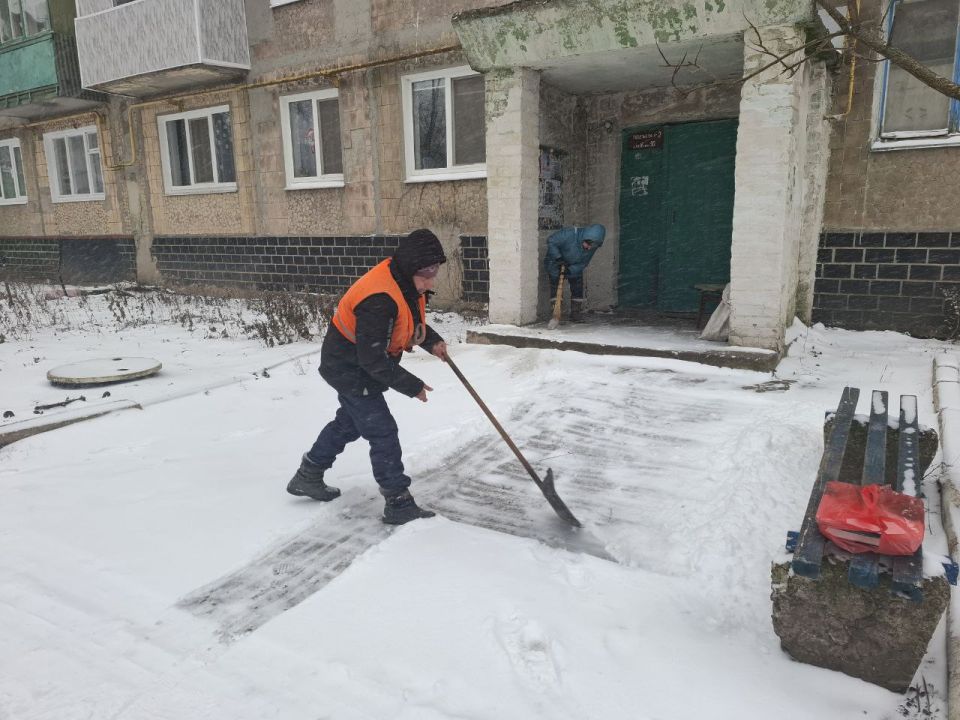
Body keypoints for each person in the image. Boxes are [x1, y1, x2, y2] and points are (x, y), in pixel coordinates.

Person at [287, 229, 448, 525]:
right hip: (349, 368)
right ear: (411, 267)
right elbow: (373, 358)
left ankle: (308, 474)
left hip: (361, 365)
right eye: (426, 274)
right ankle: (398, 502)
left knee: (349, 423)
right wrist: (412, 385)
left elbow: (406, 320)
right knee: (382, 430)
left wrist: (431, 340)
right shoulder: (379, 299)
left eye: (434, 272)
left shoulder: (404, 283)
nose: (431, 281)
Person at [544, 224, 606, 321]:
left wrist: (571, 270)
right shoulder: (570, 234)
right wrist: (558, 258)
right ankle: (556, 313)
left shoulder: (592, 246)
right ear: (584, 237)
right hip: (555, 263)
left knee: (577, 287)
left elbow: (583, 263)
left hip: (573, 266)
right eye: (588, 243)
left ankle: (575, 313)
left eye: (592, 246)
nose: (589, 248)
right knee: (556, 287)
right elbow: (551, 241)